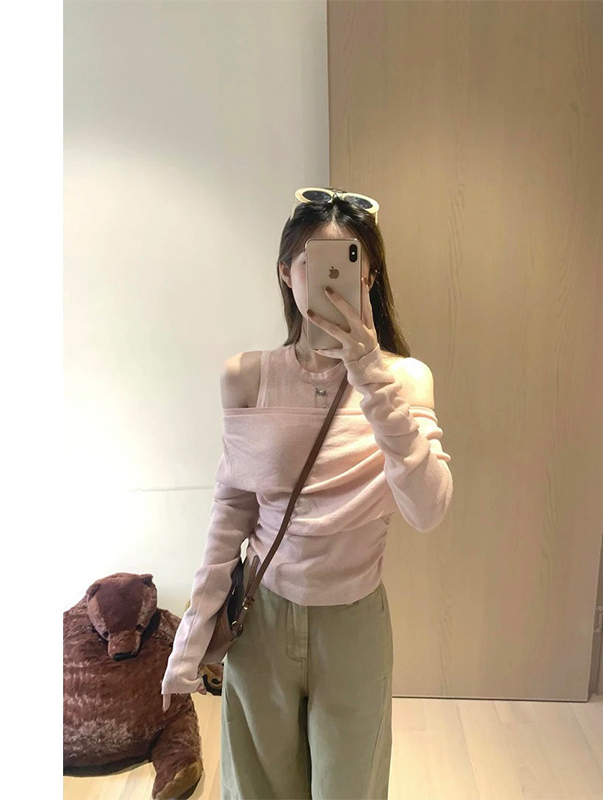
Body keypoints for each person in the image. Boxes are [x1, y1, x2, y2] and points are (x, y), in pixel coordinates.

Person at [161, 188, 453, 799]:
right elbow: (232, 511)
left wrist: (369, 374)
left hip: (354, 623)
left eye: (351, 264)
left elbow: (428, 508)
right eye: (313, 264)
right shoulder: (248, 376)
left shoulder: (404, 380)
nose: (334, 281)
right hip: (262, 618)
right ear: (285, 273)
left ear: (369, 277)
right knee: (258, 790)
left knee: (351, 789)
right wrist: (192, 634)